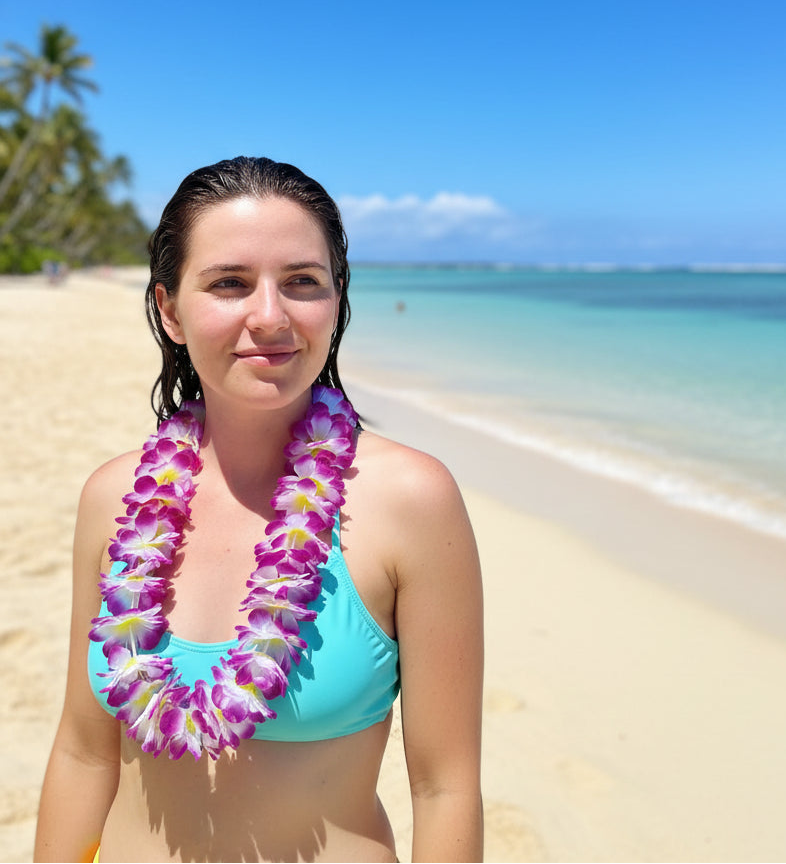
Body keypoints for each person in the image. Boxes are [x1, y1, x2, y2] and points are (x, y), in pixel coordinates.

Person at [33, 156, 484, 863]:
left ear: (337, 303)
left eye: (302, 282)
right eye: (230, 283)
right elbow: (84, 753)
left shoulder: (411, 501)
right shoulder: (112, 499)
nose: (269, 316)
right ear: (171, 311)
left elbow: (445, 789)